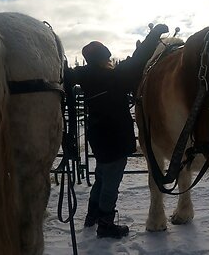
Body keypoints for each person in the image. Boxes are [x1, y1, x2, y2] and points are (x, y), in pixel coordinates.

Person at [64, 23, 169, 239]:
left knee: (101, 176)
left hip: (98, 138)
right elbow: (139, 58)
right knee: (110, 182)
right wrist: (155, 33)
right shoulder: (116, 76)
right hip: (116, 140)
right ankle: (105, 223)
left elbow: (63, 74)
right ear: (105, 58)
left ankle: (92, 215)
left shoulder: (83, 75)